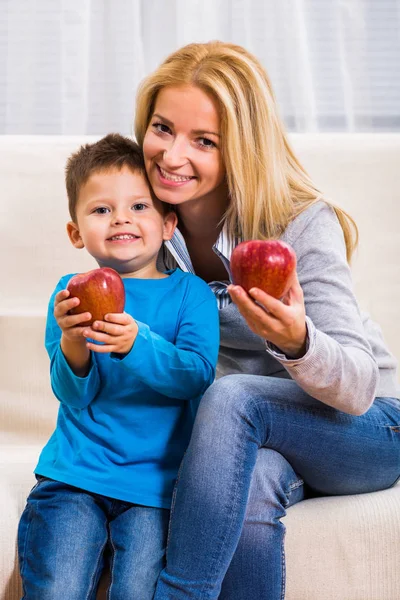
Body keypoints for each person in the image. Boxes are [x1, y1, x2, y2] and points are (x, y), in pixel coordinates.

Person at [133, 41, 400, 599]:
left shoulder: (299, 222)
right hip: (252, 438)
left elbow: (357, 386)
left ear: (240, 150)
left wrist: (297, 342)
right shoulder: (147, 226)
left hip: (368, 425)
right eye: (162, 128)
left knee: (232, 397)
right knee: (247, 488)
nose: (172, 155)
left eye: (203, 141)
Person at [17, 134, 219, 600]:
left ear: (170, 223)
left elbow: (196, 377)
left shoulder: (192, 294)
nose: (121, 218)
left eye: (139, 207)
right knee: (56, 588)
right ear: (76, 233)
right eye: (101, 209)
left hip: (156, 488)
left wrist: (137, 344)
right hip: (74, 476)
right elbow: (72, 394)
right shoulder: (70, 292)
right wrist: (73, 339)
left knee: (139, 591)